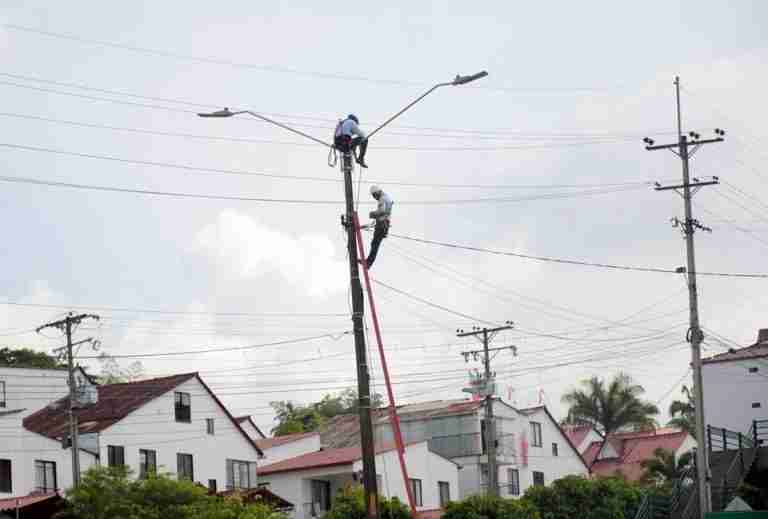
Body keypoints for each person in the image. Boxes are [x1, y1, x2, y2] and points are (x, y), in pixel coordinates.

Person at [366, 185, 393, 269]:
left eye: (374, 195)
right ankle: (368, 262)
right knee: (375, 243)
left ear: (377, 192)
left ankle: (368, 263)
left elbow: (381, 211)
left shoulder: (382, 199)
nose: (374, 198)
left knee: (374, 244)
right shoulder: (387, 197)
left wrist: (372, 214)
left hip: (381, 225)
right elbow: (385, 213)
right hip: (384, 224)